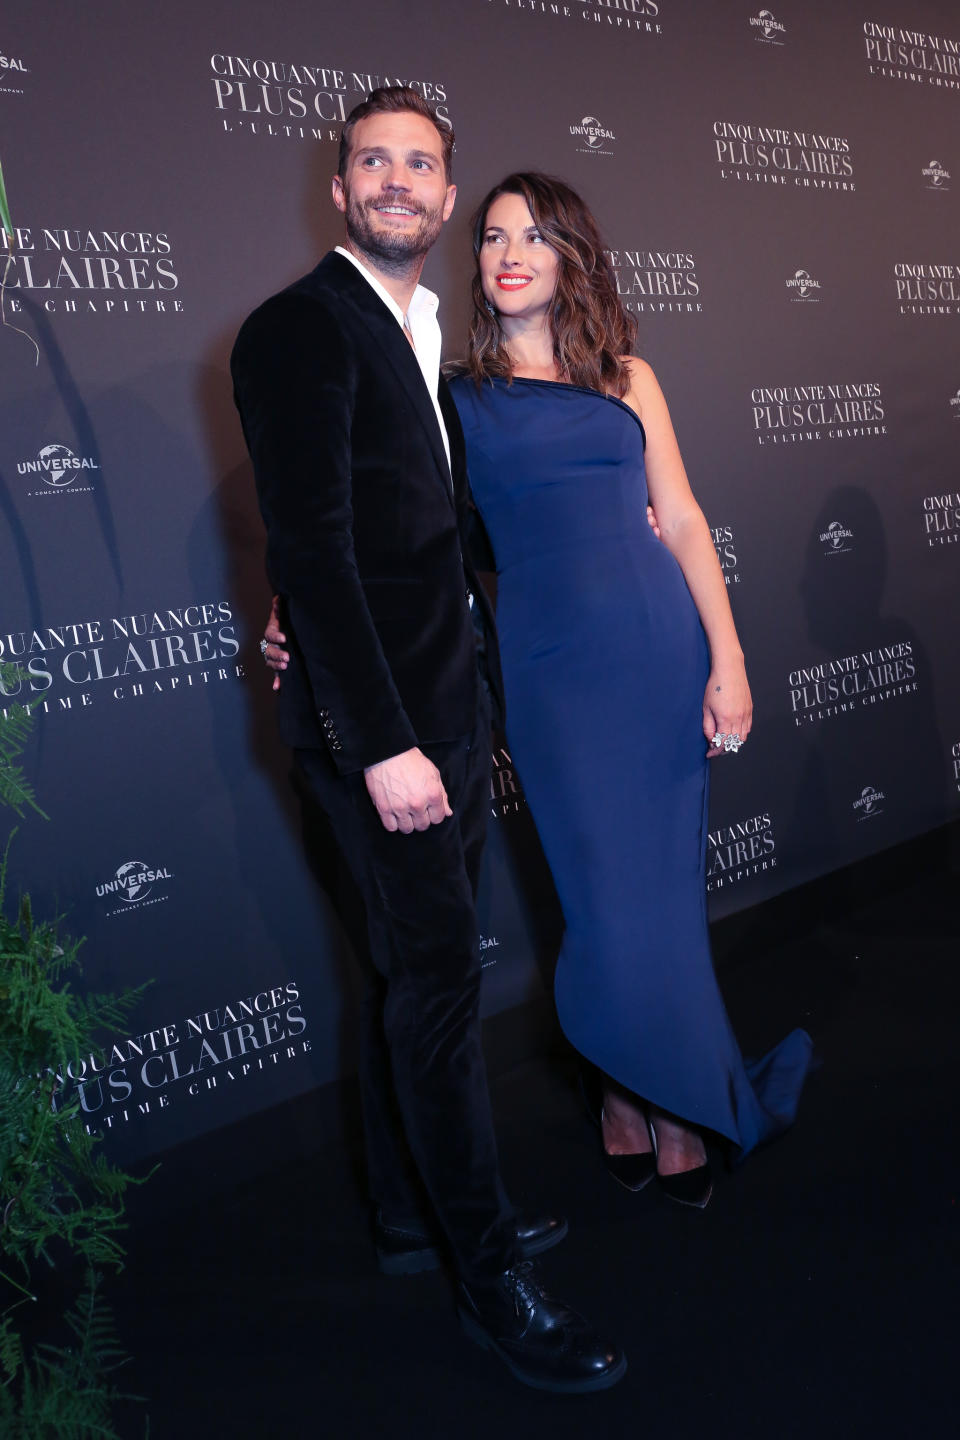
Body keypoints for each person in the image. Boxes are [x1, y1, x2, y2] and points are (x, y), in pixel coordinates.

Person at [268, 171, 812, 1207]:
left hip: (656, 646)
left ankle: (673, 1103)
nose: (509, 253)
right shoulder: (454, 399)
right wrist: (293, 605)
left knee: (656, 895)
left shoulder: (626, 377)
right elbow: (375, 518)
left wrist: (730, 659)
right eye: (492, 237)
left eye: (533, 235)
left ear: (571, 256)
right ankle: (623, 1088)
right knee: (597, 895)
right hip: (552, 667)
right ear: (476, 262)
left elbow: (686, 521)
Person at [231, 95, 625, 1393]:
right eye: (373, 163)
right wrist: (383, 741)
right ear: (338, 190)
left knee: (413, 985)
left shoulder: (422, 337)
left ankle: (413, 1220)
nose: (398, 182)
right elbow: (313, 550)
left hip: (451, 717)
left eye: (421, 165)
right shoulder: (300, 329)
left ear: (445, 199)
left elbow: (426, 542)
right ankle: (488, 1274)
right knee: (446, 992)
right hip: (387, 740)